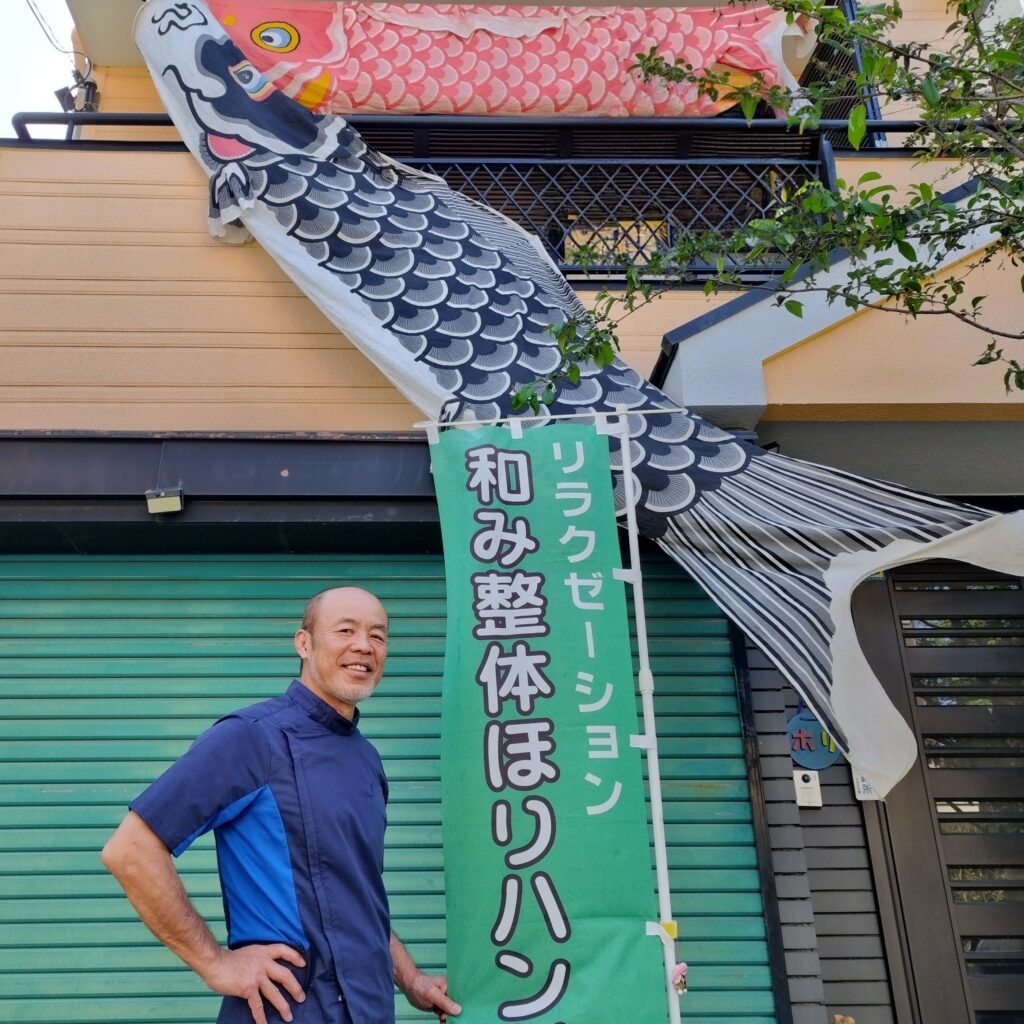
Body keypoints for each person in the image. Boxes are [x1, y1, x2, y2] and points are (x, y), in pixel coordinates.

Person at [102, 586, 461, 1024]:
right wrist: (216, 963)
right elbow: (131, 850)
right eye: (345, 630)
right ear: (304, 643)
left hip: (370, 1011)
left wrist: (412, 979)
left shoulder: (366, 759)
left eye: (378, 636)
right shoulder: (252, 737)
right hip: (287, 1011)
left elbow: (356, 898)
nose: (364, 646)